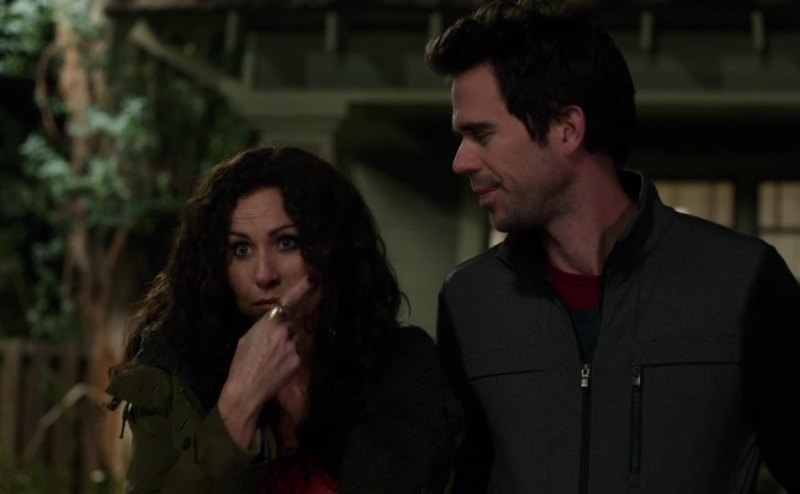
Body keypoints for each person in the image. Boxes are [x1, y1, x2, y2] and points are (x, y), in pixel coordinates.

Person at [425, 1, 800, 493]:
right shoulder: (469, 300)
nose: (461, 162)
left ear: (567, 129)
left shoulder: (741, 282)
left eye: (481, 135)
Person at [106, 145, 462, 493]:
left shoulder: (404, 368)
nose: (264, 275)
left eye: (287, 243)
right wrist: (239, 401)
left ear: (334, 250)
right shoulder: (176, 372)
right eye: (241, 249)